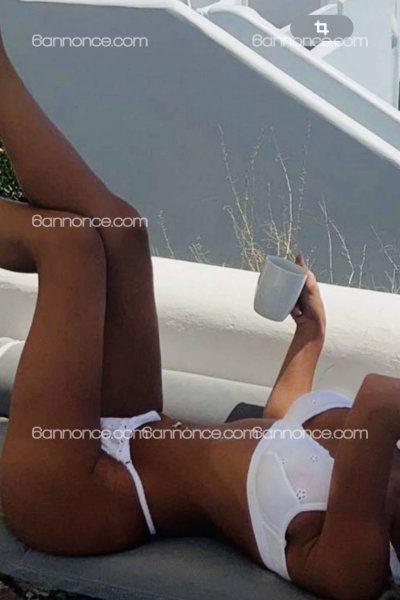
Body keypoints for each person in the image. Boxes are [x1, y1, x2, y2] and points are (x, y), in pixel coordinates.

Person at [0, 25, 399, 600]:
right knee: (122, 229)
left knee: (68, 245)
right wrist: (311, 334)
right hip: (139, 424)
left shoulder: (359, 565)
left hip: (86, 497)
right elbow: (278, 431)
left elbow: (381, 400)